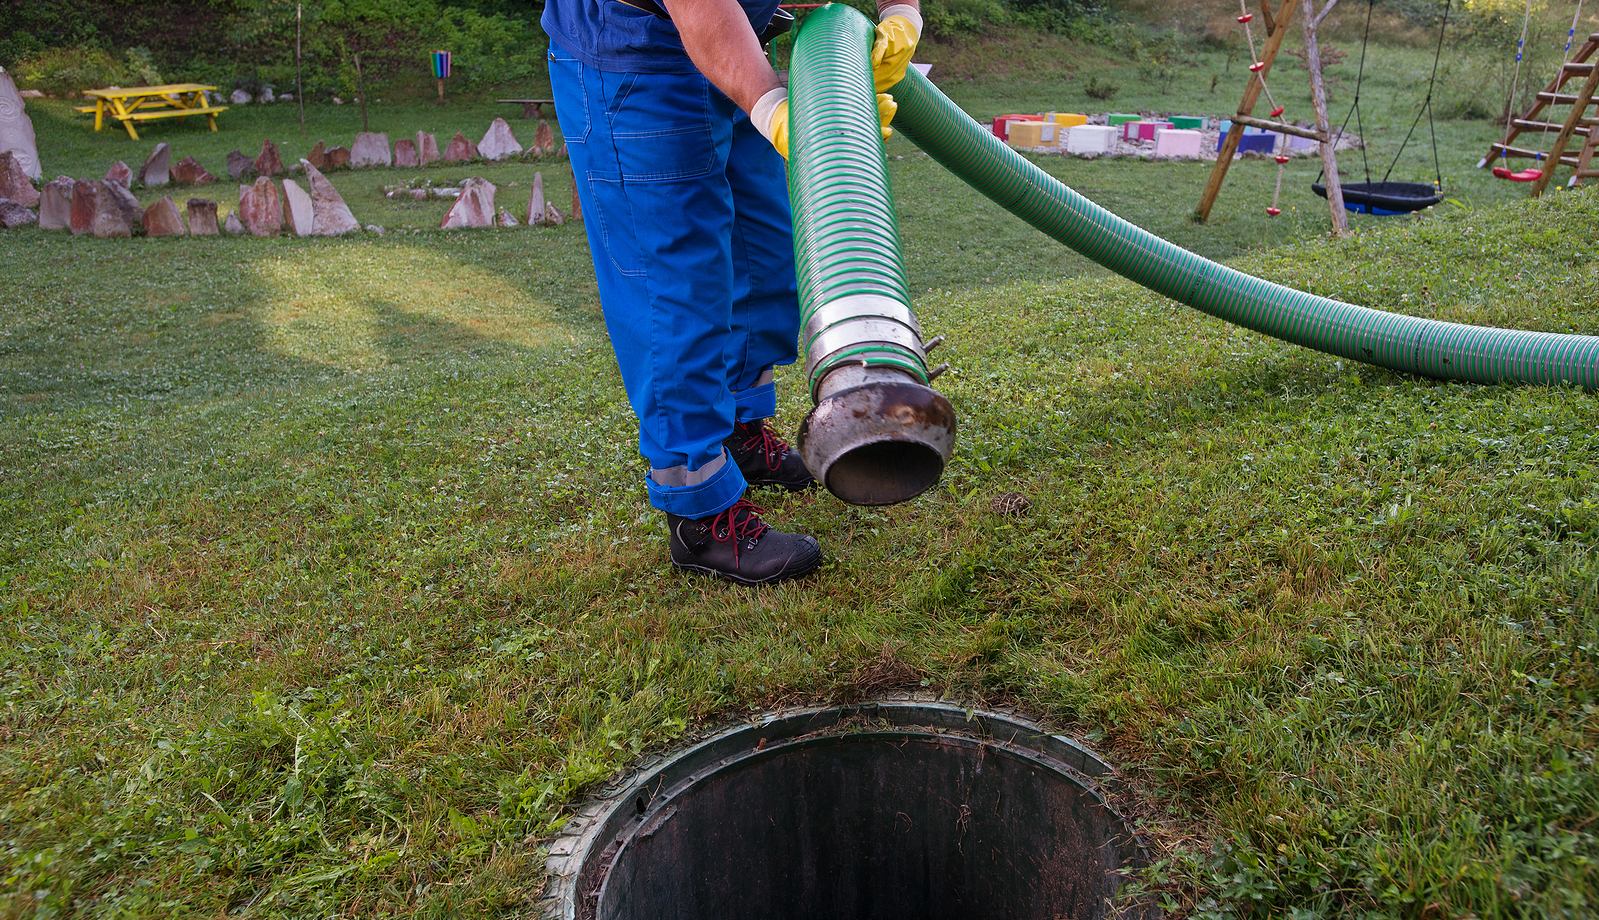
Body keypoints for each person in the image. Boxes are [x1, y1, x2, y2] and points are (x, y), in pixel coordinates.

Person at [542, 0, 921, 585]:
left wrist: (902, 16)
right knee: (675, 290)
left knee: (764, 248)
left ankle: (740, 434)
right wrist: (770, 106)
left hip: (740, 37)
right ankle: (700, 515)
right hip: (636, 56)